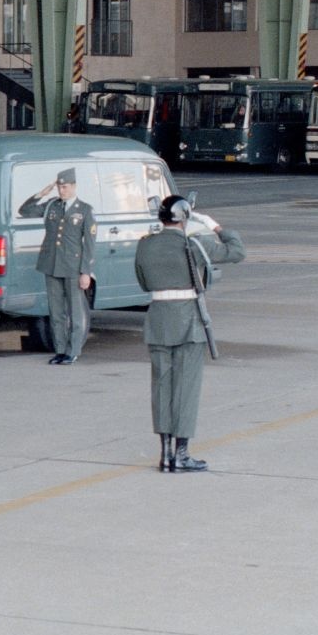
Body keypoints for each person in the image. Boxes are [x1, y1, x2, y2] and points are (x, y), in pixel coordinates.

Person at [134, 195, 246, 472]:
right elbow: (237, 251)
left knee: (161, 387)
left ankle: (165, 453)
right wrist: (215, 227)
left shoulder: (145, 245)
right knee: (186, 388)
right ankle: (182, 454)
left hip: (159, 318)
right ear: (185, 218)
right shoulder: (194, 243)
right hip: (187, 321)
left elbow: (143, 281)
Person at [19, 167, 96, 364]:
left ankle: (73, 350)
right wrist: (42, 194)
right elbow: (25, 211)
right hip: (51, 264)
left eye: (66, 186)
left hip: (73, 266)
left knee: (75, 311)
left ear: (74, 186)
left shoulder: (84, 210)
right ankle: (60, 350)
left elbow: (89, 244)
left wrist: (85, 271)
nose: (62, 191)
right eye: (60, 187)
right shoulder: (51, 206)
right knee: (56, 311)